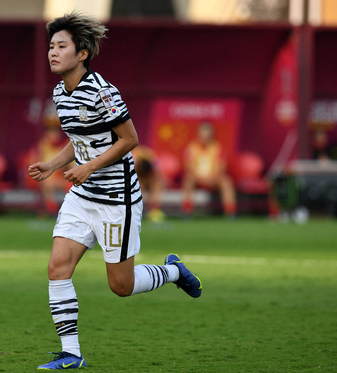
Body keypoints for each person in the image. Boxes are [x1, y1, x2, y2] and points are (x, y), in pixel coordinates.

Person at [28, 13, 202, 370]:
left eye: (61, 46)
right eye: (50, 46)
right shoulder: (60, 91)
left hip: (116, 200)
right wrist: (53, 164)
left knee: (121, 286)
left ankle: (172, 272)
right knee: (57, 267)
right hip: (82, 196)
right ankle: (72, 354)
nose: (53, 52)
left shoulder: (102, 91)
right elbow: (79, 141)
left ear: (83, 53)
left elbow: (130, 139)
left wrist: (90, 167)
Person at [182, 121, 237, 217]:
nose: (205, 137)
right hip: (197, 177)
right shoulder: (191, 148)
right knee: (188, 180)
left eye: (207, 134)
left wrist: (212, 177)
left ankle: (230, 212)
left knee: (226, 181)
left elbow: (221, 167)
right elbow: (188, 167)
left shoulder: (217, 147)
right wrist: (200, 178)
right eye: (202, 134)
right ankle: (187, 210)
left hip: (214, 178)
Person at [36, 122, 72, 215]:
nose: (54, 135)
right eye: (51, 133)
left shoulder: (63, 147)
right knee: (47, 183)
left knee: (70, 183)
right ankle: (51, 209)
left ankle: (69, 209)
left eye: (55, 133)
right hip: (46, 177)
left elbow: (67, 167)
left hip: (59, 176)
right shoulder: (43, 146)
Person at [132, 145, 166, 223]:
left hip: (149, 176)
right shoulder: (134, 158)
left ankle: (154, 211)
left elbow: (158, 174)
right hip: (138, 175)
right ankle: (136, 212)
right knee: (137, 187)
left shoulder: (151, 157)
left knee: (157, 185)